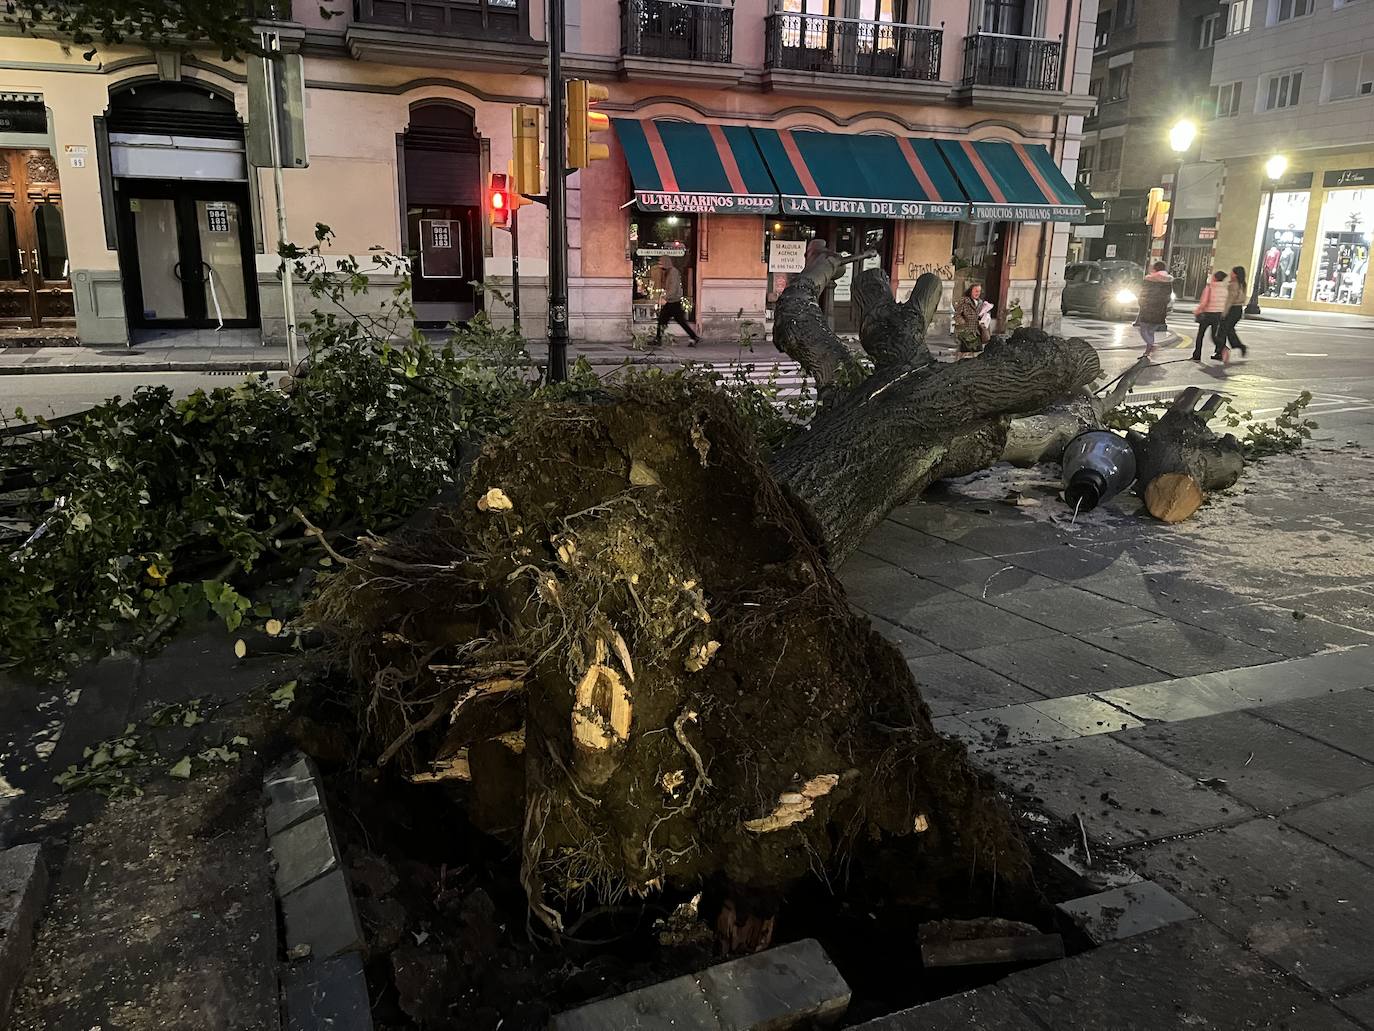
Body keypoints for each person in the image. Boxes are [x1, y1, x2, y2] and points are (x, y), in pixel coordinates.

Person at [654, 256, 699, 347]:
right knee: (664, 320)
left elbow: (673, 289)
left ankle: (658, 339)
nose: (660, 265)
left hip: (673, 302)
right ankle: (658, 338)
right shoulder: (668, 272)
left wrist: (665, 298)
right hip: (671, 301)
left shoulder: (673, 272)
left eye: (661, 263)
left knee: (669, 320)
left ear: (666, 263)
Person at [1134, 260, 1174, 357]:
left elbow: (1143, 293)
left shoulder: (1148, 279)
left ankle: (1151, 345)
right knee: (1151, 330)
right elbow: (1168, 296)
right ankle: (1148, 351)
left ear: (1155, 269)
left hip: (1147, 307)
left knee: (1143, 328)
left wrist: (1141, 303)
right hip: (1160, 309)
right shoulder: (1168, 281)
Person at [1191, 270, 1228, 362]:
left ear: (1215, 278)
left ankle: (1197, 355)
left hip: (1208, 313)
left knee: (1200, 335)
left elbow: (1204, 302)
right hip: (1219, 314)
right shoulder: (1225, 289)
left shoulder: (1209, 287)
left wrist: (1197, 310)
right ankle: (1222, 349)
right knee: (1215, 335)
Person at [953, 283, 991, 355]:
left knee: (977, 353)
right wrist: (963, 323)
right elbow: (957, 315)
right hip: (966, 332)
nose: (978, 293)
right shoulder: (964, 301)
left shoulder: (980, 302)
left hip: (977, 332)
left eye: (979, 291)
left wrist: (984, 318)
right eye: (976, 291)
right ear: (971, 291)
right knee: (964, 353)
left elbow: (982, 314)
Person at [1219, 266, 1248, 358]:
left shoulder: (1233, 285)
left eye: (1232, 273)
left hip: (1232, 309)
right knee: (1229, 330)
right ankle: (1236, 346)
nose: (1230, 274)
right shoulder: (1242, 284)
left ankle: (1222, 351)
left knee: (1222, 331)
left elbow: (1230, 300)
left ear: (1235, 275)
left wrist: (1224, 313)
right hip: (1238, 310)